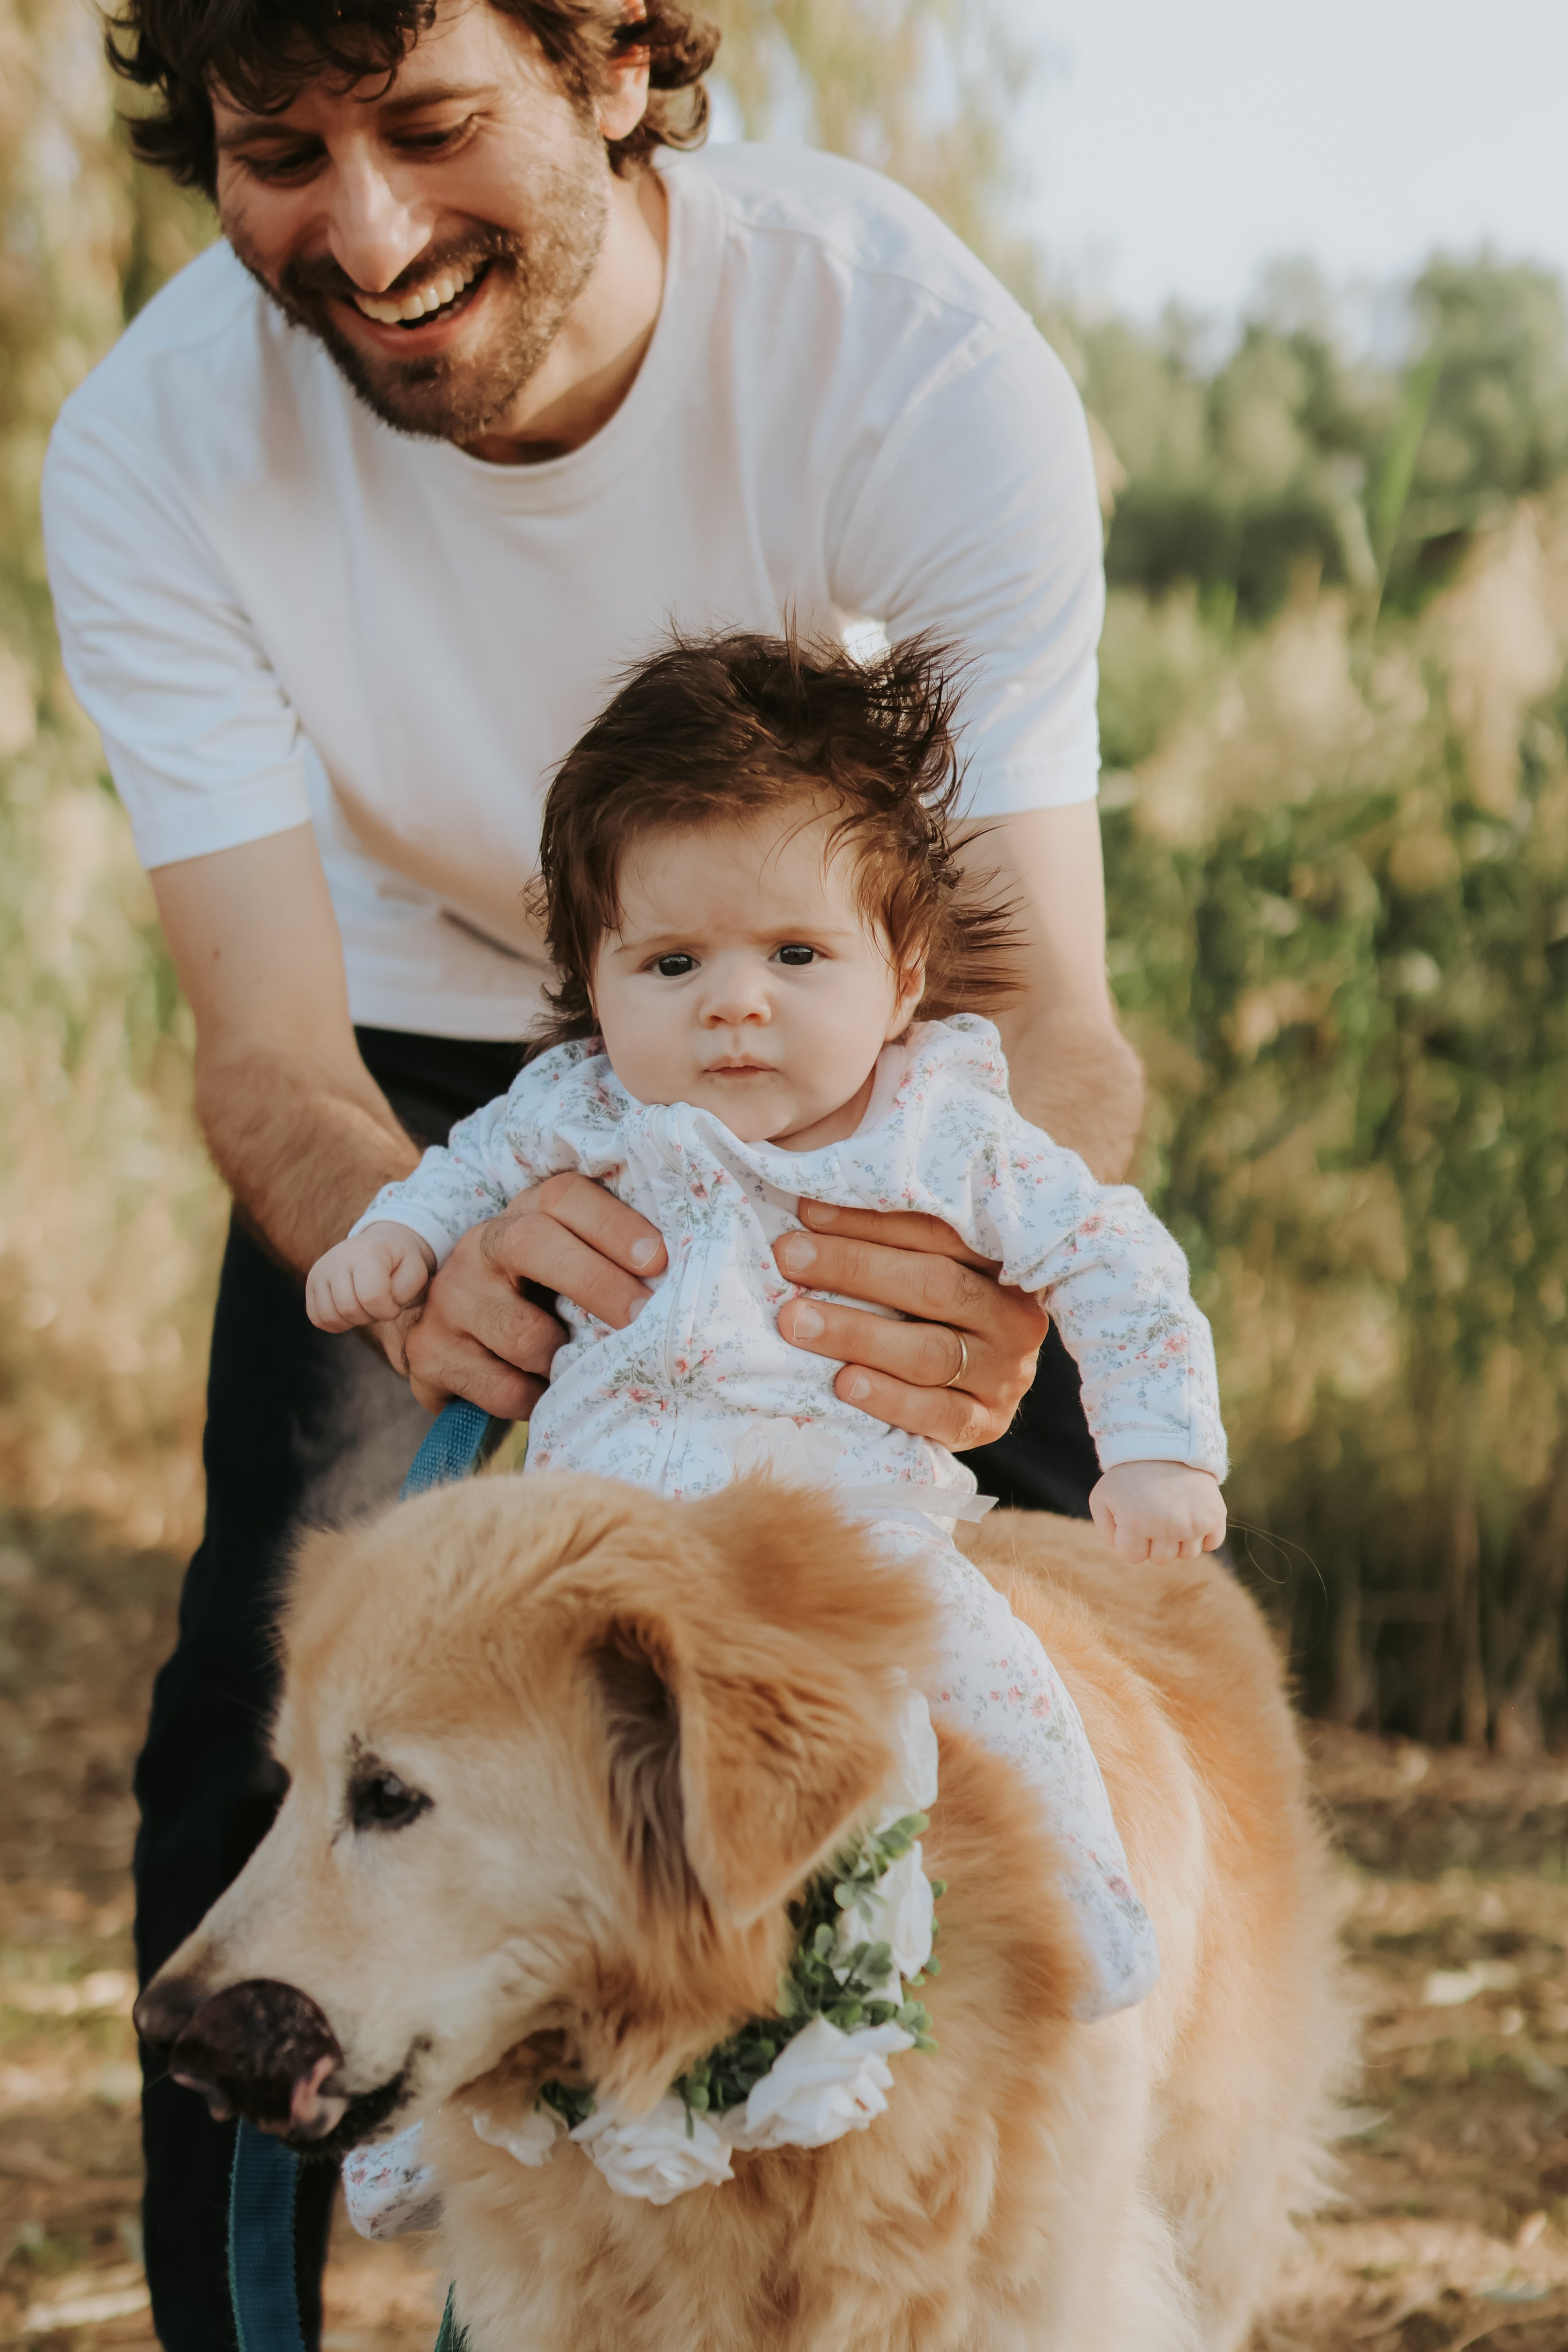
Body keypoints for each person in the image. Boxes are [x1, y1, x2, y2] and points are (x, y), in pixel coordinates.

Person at [42, 0, 1143, 2340]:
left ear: (624, 66)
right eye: (278, 153)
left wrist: (988, 1276)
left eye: (434, 127)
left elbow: (1049, 1015)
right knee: (269, 1654)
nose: (361, 229)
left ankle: (1030, 2239)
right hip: (428, 1059)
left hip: (823, 1034)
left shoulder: (912, 366)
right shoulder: (154, 441)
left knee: (1009, 1668)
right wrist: (408, 1262)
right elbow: (264, 1042)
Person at [312, 627, 1224, 2241]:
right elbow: (453, 1186)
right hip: (591, 1545)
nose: (735, 1006)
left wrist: (1154, 1445)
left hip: (848, 1541)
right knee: (462, 1791)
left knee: (998, 1693)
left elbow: (1112, 1253)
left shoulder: (945, 1126)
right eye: (672, 967)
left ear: (905, 974)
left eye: (797, 958)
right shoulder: (586, 1107)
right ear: (595, 988)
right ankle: (409, 2119)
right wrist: (396, 1246)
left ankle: (1093, 1942)